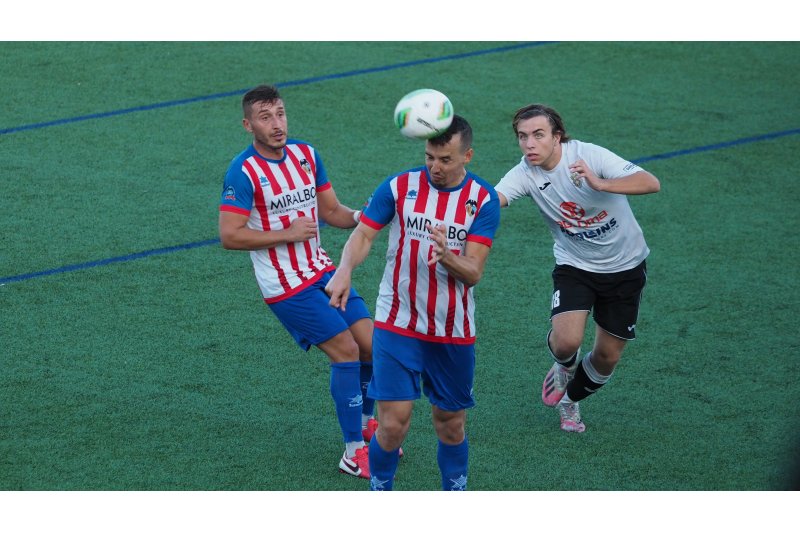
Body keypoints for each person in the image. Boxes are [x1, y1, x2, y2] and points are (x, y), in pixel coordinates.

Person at [325, 115, 500, 490]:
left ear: (467, 155)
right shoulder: (399, 186)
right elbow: (364, 235)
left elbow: (473, 272)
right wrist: (344, 270)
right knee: (391, 425)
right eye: (430, 158)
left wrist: (448, 255)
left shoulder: (483, 200)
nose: (435, 168)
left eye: (446, 160)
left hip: (452, 330)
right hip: (397, 323)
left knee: (450, 425)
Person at [218, 84, 378, 479]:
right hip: (285, 286)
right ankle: (353, 451)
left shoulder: (306, 155)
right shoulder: (243, 172)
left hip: (322, 270)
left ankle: (366, 426)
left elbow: (332, 212)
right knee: (345, 351)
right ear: (248, 124)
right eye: (265, 117)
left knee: (372, 345)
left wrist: (368, 216)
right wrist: (286, 234)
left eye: (281, 114)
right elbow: (230, 235)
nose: (277, 124)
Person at [494, 103, 660, 433]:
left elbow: (650, 182)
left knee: (607, 358)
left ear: (557, 137)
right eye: (522, 137)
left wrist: (601, 184)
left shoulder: (588, 155)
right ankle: (563, 364)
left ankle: (570, 401)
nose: (529, 144)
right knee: (567, 342)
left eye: (538, 135)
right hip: (576, 266)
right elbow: (492, 199)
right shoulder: (524, 174)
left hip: (626, 268)